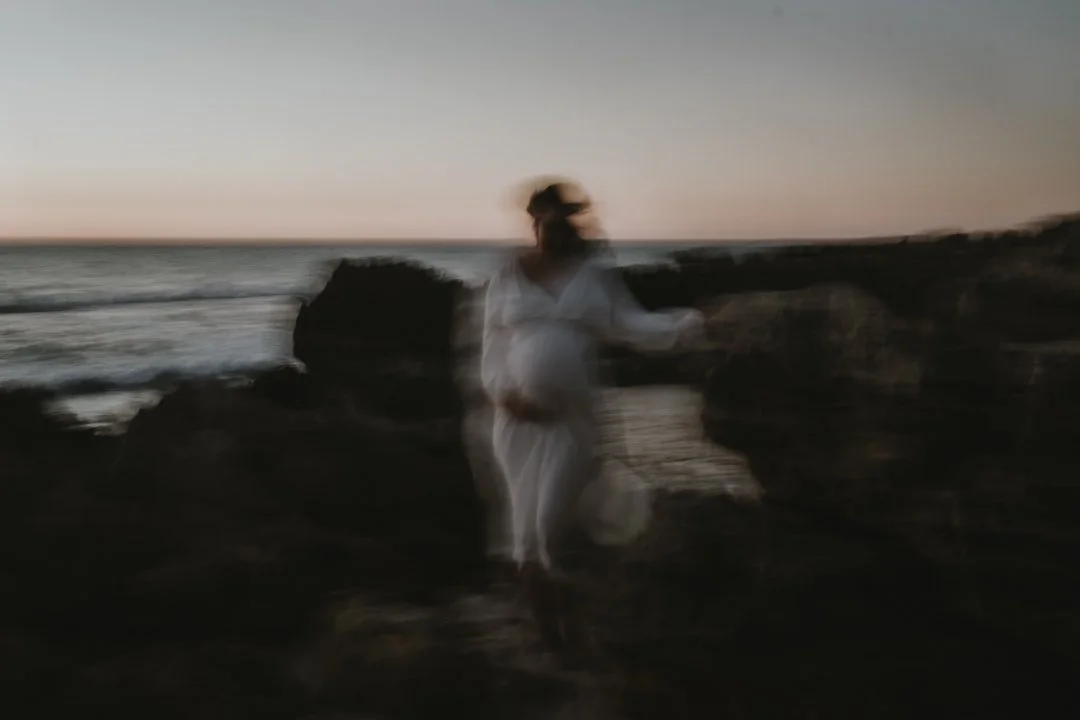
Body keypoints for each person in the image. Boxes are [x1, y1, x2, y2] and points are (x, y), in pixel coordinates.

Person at [479, 180, 705, 657]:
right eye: (550, 218)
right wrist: (506, 396)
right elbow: (492, 348)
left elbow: (632, 324)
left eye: (566, 217)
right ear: (535, 221)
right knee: (525, 538)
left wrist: (689, 324)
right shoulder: (506, 276)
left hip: (571, 423)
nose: (558, 226)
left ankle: (587, 620)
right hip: (519, 426)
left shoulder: (592, 275)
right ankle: (554, 640)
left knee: (550, 530)